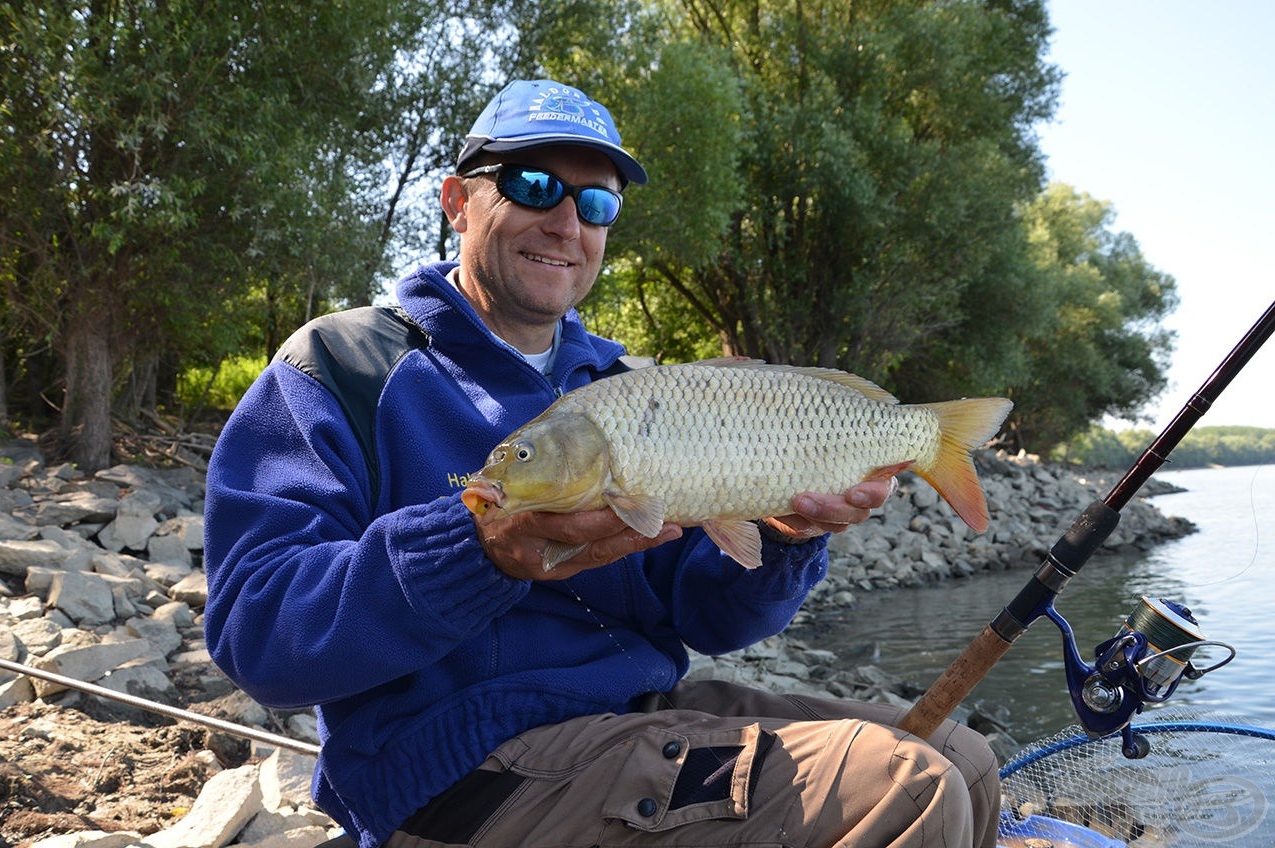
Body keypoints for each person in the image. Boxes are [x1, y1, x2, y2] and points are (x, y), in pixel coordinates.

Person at [203, 78, 1001, 848]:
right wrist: (474, 551)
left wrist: (789, 536)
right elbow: (256, 633)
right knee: (906, 785)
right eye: (533, 185)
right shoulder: (341, 365)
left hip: (631, 717)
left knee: (965, 761)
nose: (565, 222)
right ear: (457, 202)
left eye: (595, 202)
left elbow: (713, 621)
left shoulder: (634, 390)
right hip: (453, 774)